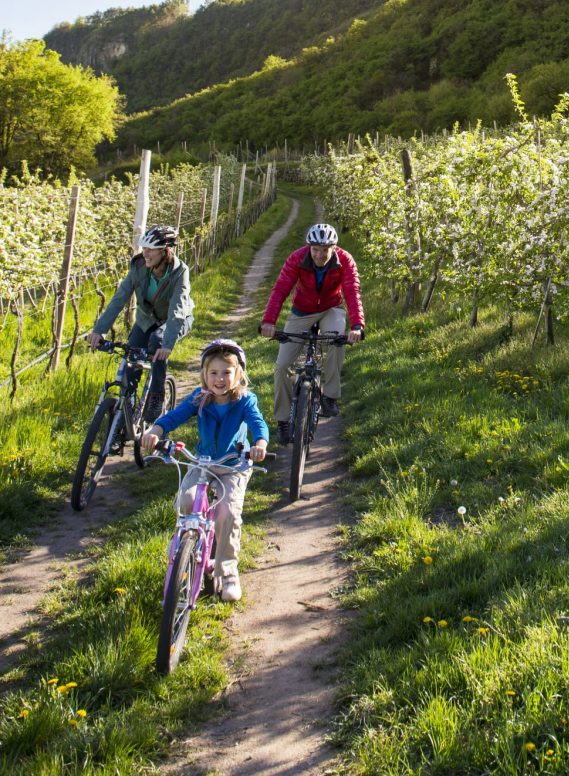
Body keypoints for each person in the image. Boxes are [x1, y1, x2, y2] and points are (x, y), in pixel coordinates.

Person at [141, 338, 268, 602]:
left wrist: (260, 443)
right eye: (213, 373)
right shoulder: (200, 398)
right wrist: (156, 430)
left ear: (238, 374)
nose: (219, 379)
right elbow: (175, 415)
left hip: (233, 465)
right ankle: (185, 549)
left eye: (226, 373)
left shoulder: (245, 400)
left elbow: (258, 423)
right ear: (204, 375)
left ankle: (227, 571)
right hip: (203, 461)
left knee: (227, 513)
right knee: (186, 502)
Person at [260, 222, 365, 443]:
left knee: (336, 340)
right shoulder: (296, 259)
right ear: (309, 247)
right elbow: (280, 289)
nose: (319, 255)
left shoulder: (344, 260)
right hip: (302, 311)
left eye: (325, 250)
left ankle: (329, 396)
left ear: (334, 248)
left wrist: (357, 326)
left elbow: (352, 291)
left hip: (331, 308)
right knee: (282, 366)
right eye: (315, 249)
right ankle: (283, 421)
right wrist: (269, 321)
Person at [86, 224, 193, 424]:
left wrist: (167, 345)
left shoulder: (180, 271)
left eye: (150, 249)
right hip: (146, 320)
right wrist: (98, 331)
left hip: (175, 321)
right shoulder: (138, 267)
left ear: (165, 251)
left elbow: (177, 309)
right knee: (131, 357)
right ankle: (124, 414)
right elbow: (119, 299)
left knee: (157, 342)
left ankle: (156, 396)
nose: (145, 253)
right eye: (144, 248)